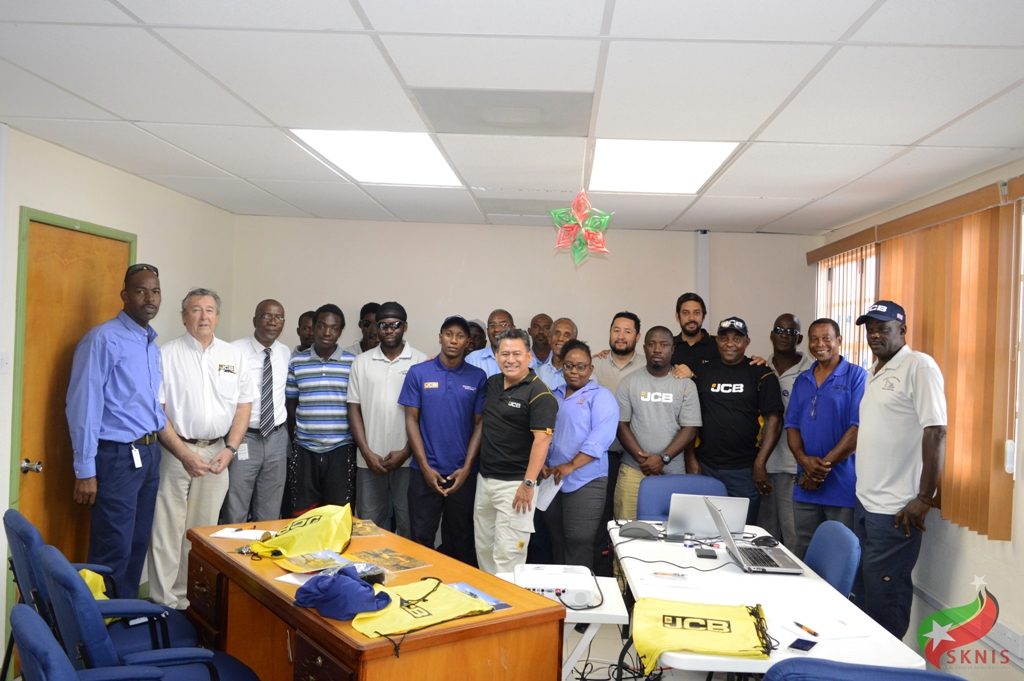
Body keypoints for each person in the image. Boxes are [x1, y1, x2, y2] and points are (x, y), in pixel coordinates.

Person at [149, 288, 253, 609]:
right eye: (196, 310)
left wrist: (231, 448)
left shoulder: (234, 356)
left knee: (201, 531)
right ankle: (162, 601)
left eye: (210, 310)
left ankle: (187, 598)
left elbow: (243, 407)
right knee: (167, 530)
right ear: (183, 317)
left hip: (218, 454)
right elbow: (157, 410)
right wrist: (184, 453)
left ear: (217, 317)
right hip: (175, 451)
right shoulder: (166, 354)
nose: (204, 316)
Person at [66, 263, 165, 598]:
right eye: (140, 290)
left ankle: (124, 615)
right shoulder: (103, 339)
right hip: (117, 457)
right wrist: (85, 469)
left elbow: (151, 408)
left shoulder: (151, 343)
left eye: (155, 290)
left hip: (150, 455)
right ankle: (97, 628)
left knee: (138, 542)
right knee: (113, 547)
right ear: (124, 295)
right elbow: (84, 406)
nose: (149, 297)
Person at [853, 301, 946, 639]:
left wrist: (925, 497)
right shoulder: (874, 370)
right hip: (866, 503)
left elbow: (935, 430)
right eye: (870, 329)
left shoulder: (918, 366)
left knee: (884, 607)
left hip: (895, 511)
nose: (875, 335)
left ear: (902, 330)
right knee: (863, 600)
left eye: (883, 328)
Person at [400, 315, 487, 564]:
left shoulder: (477, 377)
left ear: (468, 342)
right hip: (423, 473)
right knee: (420, 541)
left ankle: (457, 597)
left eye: (460, 336)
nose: (453, 340)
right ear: (440, 337)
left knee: (460, 542)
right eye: (448, 334)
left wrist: (467, 468)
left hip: (463, 475)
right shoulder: (418, 373)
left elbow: (480, 424)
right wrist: (426, 468)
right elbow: (411, 421)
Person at [474, 329, 557, 573]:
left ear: (529, 357)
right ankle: (491, 607)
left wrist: (528, 485)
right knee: (485, 551)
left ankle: (510, 609)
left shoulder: (540, 394)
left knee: (508, 557)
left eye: (517, 354)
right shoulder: (492, 384)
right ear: (497, 356)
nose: (510, 359)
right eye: (505, 353)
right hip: (485, 481)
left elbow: (542, 441)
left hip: (516, 487)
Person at [786, 318, 865, 559]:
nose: (820, 344)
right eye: (814, 339)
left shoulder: (856, 376)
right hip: (806, 485)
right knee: (804, 551)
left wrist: (821, 470)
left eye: (826, 338)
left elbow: (857, 429)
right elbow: (792, 426)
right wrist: (803, 461)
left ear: (839, 341)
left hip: (842, 485)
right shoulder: (803, 380)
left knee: (840, 555)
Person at [692, 317, 783, 524]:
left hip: (744, 471)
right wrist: (692, 460)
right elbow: (689, 418)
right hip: (706, 467)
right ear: (717, 341)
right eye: (724, 338)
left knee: (742, 533)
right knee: (703, 528)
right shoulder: (703, 372)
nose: (730, 343)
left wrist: (760, 464)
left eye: (737, 338)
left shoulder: (762, 373)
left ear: (747, 342)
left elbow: (774, 421)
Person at [348, 302, 426, 537]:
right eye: (383, 325)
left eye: (395, 325)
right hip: (369, 461)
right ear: (376, 327)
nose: (389, 330)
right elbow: (354, 410)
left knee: (408, 524)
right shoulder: (361, 362)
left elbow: (425, 416)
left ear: (405, 326)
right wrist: (366, 452)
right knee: (368, 527)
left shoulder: (420, 362)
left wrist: (406, 452)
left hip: (408, 460)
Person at [542, 340, 617, 569]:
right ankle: (559, 597)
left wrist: (571, 465)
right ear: (561, 366)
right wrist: (543, 464)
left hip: (586, 479)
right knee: (556, 541)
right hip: (551, 480)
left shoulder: (601, 396)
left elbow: (600, 438)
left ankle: (581, 600)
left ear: (591, 369)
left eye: (581, 366)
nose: (574, 372)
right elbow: (543, 435)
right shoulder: (552, 395)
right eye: (569, 366)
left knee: (579, 541)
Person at [614, 326, 701, 520]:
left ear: (673, 349)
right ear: (644, 348)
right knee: (625, 533)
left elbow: (690, 429)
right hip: (633, 471)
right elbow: (621, 425)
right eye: (652, 344)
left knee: (673, 536)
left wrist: (662, 459)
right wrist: (644, 461)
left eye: (664, 344)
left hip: (673, 472)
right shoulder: (629, 382)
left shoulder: (686, 385)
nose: (657, 349)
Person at [221, 299, 290, 523]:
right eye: (267, 315)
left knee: (270, 507)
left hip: (277, 438)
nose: (273, 321)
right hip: (244, 437)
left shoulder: (285, 353)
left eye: (279, 317)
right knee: (236, 503)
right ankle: (232, 554)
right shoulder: (234, 351)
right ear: (254, 320)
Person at [285, 304, 356, 516]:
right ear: (313, 328)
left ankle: (333, 551)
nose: (327, 332)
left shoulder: (353, 363)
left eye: (333, 328)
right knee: (303, 514)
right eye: (322, 326)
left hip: (341, 449)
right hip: (305, 449)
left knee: (337, 515)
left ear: (340, 331)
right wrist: (296, 438)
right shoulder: (297, 361)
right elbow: (291, 404)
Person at [591, 311, 645, 573]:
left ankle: (627, 573)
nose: (621, 335)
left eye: (627, 331)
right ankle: (603, 573)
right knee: (600, 520)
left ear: (637, 336)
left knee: (629, 521)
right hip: (600, 457)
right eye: (616, 330)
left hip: (635, 459)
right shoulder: (594, 365)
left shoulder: (650, 366)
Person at [756, 314, 814, 548]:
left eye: (790, 332)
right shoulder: (760, 367)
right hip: (764, 464)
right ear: (771, 335)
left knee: (793, 537)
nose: (784, 335)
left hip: (794, 466)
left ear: (799, 338)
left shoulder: (812, 371)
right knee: (765, 536)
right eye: (779, 329)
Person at [467, 309, 537, 377]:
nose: (497, 329)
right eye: (492, 325)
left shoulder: (527, 360)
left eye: (503, 324)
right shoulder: (472, 359)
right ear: (488, 331)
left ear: (513, 328)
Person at [670, 292, 719, 376]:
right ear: (678, 317)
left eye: (696, 313)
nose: (691, 318)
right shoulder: (668, 345)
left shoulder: (718, 344)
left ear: (703, 316)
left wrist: (749, 360)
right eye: (685, 313)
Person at [537, 317, 577, 392]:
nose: (560, 339)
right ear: (549, 338)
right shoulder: (538, 374)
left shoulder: (582, 376)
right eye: (557, 333)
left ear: (574, 342)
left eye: (566, 335)